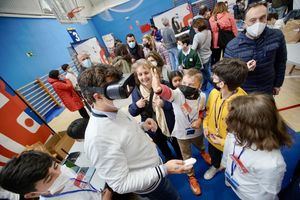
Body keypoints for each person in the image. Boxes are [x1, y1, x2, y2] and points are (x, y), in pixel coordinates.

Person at [78, 64, 192, 199]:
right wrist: (163, 170)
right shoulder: (98, 138)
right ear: (97, 97)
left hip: (155, 169)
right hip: (151, 183)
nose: (126, 93)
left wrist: (142, 126)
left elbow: (122, 136)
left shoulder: (112, 109)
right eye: (117, 90)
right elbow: (120, 184)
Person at [151, 68, 212, 196]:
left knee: (200, 144)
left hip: (197, 130)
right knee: (186, 156)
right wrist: (158, 88)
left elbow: (202, 110)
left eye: (190, 84)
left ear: (199, 86)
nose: (185, 86)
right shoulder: (178, 94)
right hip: (182, 133)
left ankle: (202, 152)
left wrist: (200, 120)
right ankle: (191, 177)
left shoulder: (202, 95)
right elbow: (167, 93)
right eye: (184, 83)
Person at [221, 94, 292, 199]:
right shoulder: (235, 134)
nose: (229, 124)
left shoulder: (271, 163)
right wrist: (225, 163)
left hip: (251, 196)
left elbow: (269, 193)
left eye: (235, 121)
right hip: (233, 179)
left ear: (251, 128)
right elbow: (228, 150)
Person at [224, 2, 287, 95]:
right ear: (244, 23)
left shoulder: (277, 36)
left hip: (267, 91)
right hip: (243, 94)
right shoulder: (232, 46)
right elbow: (227, 74)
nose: (258, 23)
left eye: (262, 18)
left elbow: (281, 61)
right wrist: (244, 69)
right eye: (253, 20)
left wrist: (278, 84)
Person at [203, 58, 248, 180]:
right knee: (214, 156)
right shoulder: (213, 93)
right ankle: (215, 166)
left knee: (232, 162)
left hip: (231, 146)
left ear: (222, 84)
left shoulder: (241, 104)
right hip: (212, 139)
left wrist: (223, 142)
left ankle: (229, 174)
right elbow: (208, 112)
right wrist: (206, 126)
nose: (212, 78)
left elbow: (244, 135)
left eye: (215, 77)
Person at [0, 150, 111, 200]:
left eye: (55, 166)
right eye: (49, 178)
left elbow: (80, 182)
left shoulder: (63, 170)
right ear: (33, 194)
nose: (60, 173)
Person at [129, 59, 182, 161]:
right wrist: (137, 105)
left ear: (152, 72)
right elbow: (132, 112)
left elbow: (176, 102)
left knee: (175, 140)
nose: (144, 77)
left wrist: (164, 104)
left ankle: (180, 156)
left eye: (146, 73)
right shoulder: (136, 90)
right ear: (137, 76)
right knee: (161, 144)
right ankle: (169, 157)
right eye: (140, 74)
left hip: (168, 121)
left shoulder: (164, 84)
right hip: (151, 125)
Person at [192, 18, 213, 90]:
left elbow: (193, 49)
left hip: (202, 58)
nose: (194, 30)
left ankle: (217, 86)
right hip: (208, 54)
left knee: (206, 74)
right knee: (206, 73)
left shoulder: (197, 36)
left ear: (198, 27)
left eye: (194, 28)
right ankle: (203, 87)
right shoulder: (209, 32)